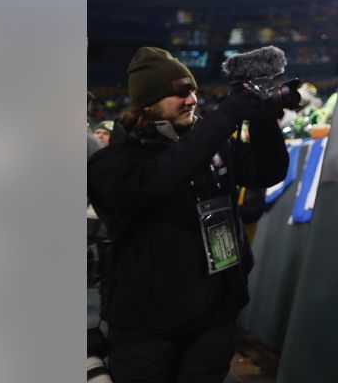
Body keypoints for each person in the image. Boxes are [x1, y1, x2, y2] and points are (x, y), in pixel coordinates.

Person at [87, 48, 289, 383]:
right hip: (149, 321)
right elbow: (160, 180)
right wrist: (224, 118)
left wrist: (263, 119)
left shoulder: (209, 144)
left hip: (214, 313)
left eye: (193, 90)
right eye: (180, 92)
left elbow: (268, 171)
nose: (192, 99)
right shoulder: (112, 161)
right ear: (148, 101)